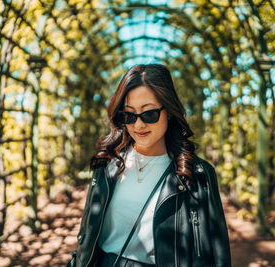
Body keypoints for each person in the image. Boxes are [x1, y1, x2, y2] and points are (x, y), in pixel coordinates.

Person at [69, 64, 231, 267]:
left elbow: (218, 253)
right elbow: (87, 238)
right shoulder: (107, 165)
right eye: (129, 115)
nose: (138, 125)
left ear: (169, 112)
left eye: (149, 114)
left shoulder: (197, 174)